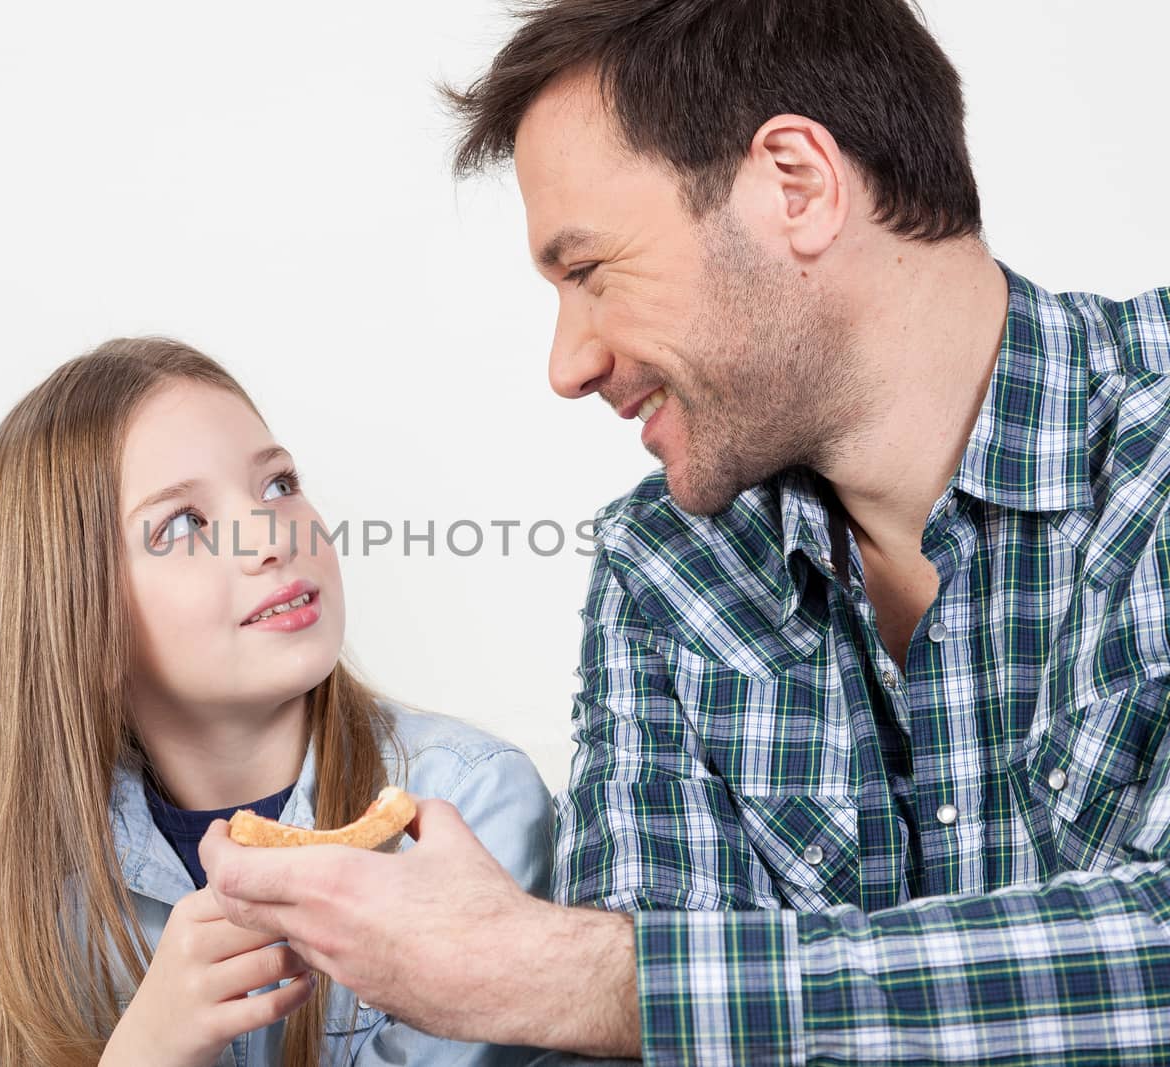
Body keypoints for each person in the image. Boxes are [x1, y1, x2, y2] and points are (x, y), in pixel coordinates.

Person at [197, 1, 1170, 1063]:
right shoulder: (663, 572)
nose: (565, 364)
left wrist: (566, 972)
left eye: (588, 271)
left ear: (794, 184)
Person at [0, 336, 554, 1067]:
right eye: (183, 523)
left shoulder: (468, 807)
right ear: (77, 615)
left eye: (278, 485)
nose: (268, 536)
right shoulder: (49, 884)